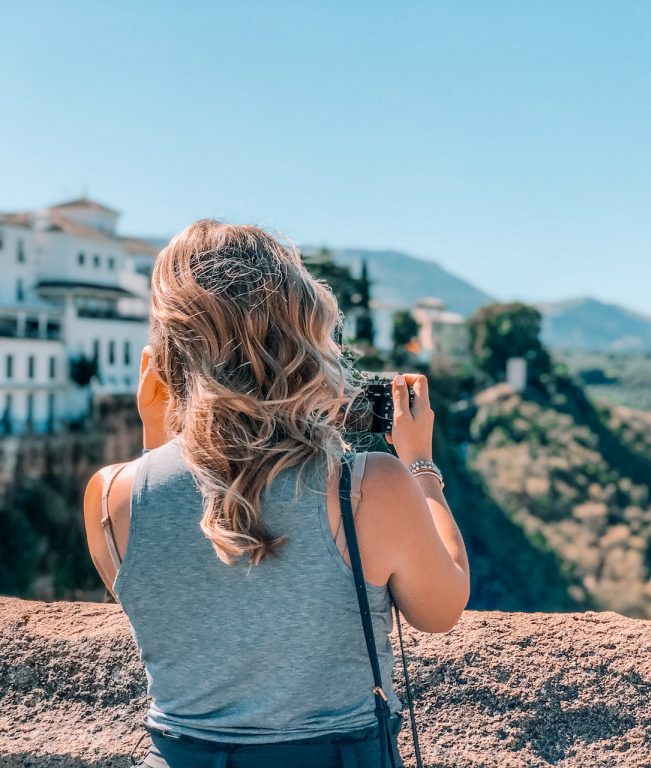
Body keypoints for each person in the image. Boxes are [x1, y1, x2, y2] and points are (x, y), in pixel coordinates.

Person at [81, 220, 470, 768]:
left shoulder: (109, 496)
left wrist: (159, 431)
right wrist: (420, 466)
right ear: (304, 333)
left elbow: (178, 602)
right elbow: (442, 607)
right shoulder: (370, 486)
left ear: (167, 348)